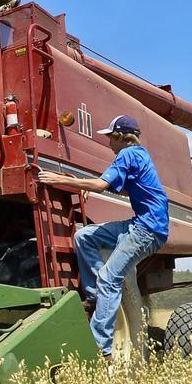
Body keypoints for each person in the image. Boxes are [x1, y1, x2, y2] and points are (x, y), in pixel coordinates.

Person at [37, 115, 169, 360]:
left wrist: (60, 179)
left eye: (110, 137)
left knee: (109, 278)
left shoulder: (128, 154)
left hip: (147, 229)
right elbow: (124, 188)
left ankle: (100, 349)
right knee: (84, 236)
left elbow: (100, 184)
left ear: (120, 137)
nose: (108, 143)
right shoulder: (140, 154)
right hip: (140, 223)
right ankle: (98, 298)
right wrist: (90, 187)